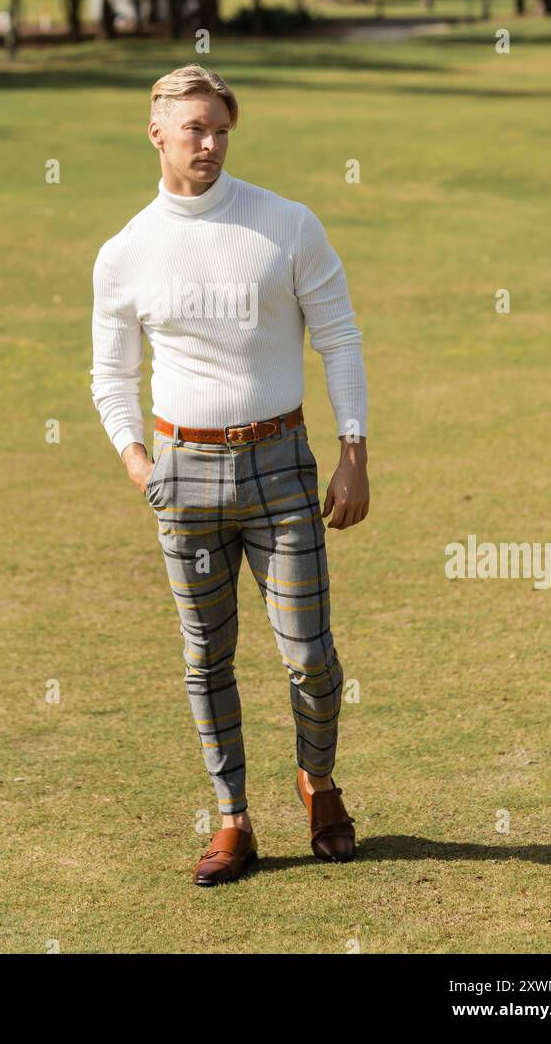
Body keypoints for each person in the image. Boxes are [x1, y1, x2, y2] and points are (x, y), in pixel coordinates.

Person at [90, 64, 370, 885]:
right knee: (205, 660)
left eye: (220, 130)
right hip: (184, 475)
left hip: (282, 466)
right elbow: (111, 374)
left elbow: (340, 337)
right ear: (158, 134)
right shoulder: (126, 252)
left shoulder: (285, 224)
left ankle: (317, 782)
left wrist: (354, 451)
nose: (209, 144)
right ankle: (233, 820)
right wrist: (141, 463)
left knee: (309, 655)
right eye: (194, 130)